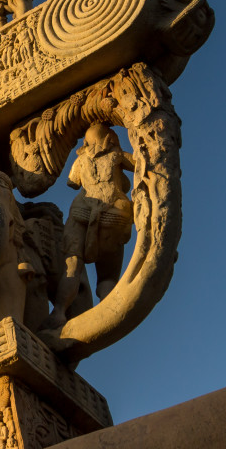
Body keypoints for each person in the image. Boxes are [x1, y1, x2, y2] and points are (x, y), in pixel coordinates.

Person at [48, 123, 135, 327]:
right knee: (107, 275)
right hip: (114, 212)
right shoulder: (117, 155)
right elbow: (141, 163)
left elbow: (73, 181)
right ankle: (108, 310)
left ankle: (59, 312)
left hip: (82, 212)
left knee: (73, 266)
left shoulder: (80, 160)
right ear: (111, 139)